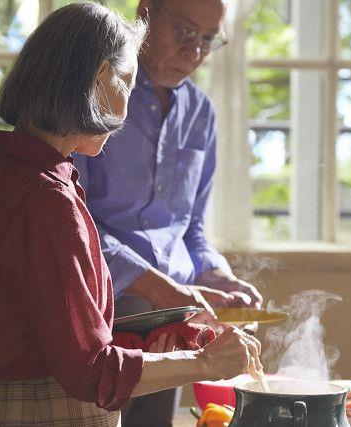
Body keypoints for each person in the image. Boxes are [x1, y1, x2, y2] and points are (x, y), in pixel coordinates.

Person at [0, 3, 261, 425]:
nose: (124, 107)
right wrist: (206, 364)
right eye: (126, 82)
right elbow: (91, 371)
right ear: (100, 79)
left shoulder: (31, 176)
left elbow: (64, 342)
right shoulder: (48, 199)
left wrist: (157, 346)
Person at [74, 1, 264, 425]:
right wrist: (157, 288)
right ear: (145, 13)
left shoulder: (201, 113)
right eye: (184, 32)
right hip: (101, 312)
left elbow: (190, 228)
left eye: (209, 40)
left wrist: (217, 274)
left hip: (175, 318)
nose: (195, 52)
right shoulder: (96, 93)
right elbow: (73, 222)